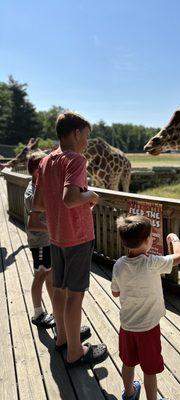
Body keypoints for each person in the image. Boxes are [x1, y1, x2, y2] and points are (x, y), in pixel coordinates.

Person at [31, 111, 107, 366]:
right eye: (86, 136)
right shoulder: (76, 160)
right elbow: (71, 198)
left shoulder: (45, 161)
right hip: (78, 237)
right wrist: (92, 196)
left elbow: (40, 203)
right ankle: (75, 351)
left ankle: (62, 337)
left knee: (61, 290)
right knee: (76, 295)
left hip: (56, 237)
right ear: (75, 133)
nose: (87, 141)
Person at [111, 215, 180, 400]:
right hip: (148, 328)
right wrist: (173, 238)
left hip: (127, 326)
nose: (153, 238)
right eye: (151, 236)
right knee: (149, 369)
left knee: (128, 363)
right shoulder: (152, 263)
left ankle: (129, 394)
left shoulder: (119, 265)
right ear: (146, 241)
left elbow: (115, 293)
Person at [24, 151, 55, 329]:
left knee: (48, 276)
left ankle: (53, 311)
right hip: (41, 243)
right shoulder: (31, 193)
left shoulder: (38, 188)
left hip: (46, 241)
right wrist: (54, 229)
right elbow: (32, 224)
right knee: (41, 276)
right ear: (37, 171)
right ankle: (38, 313)